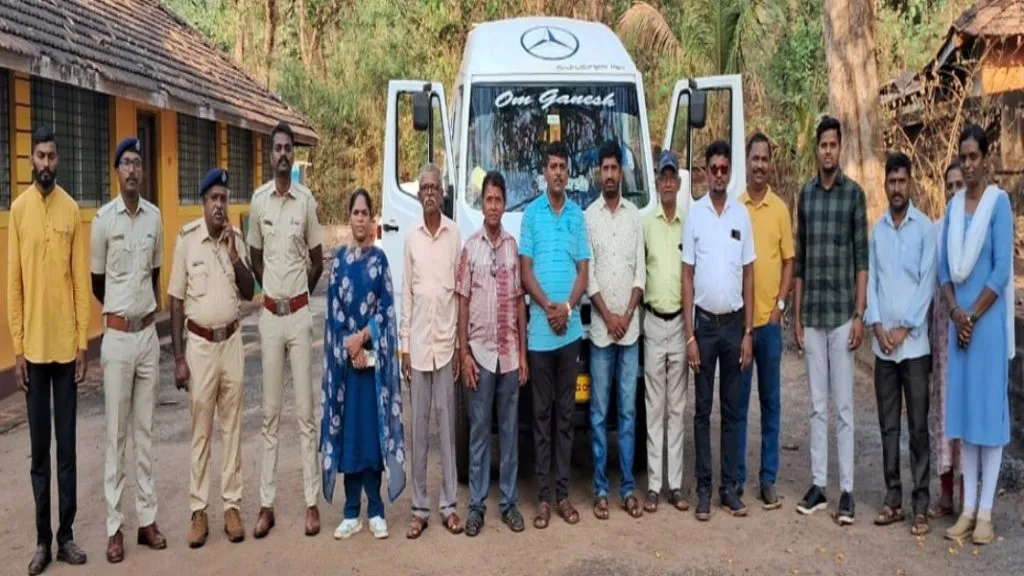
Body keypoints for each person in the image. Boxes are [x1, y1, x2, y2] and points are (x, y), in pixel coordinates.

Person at [8, 127, 90, 575]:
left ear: (58, 160)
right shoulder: (19, 211)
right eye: (40, 156)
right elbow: (13, 285)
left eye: (51, 156)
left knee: (67, 449)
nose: (45, 163)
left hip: (65, 350)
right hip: (35, 354)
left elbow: (80, 282)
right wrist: (18, 348)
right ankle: (42, 541)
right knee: (40, 452)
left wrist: (82, 342)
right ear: (31, 160)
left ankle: (67, 537)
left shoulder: (71, 210)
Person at [168, 168, 256, 549]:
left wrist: (235, 257)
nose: (219, 205)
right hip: (200, 347)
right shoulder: (187, 241)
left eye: (224, 198)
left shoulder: (235, 238)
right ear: (203, 203)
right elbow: (175, 302)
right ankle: (198, 511)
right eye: (213, 199)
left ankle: (232, 506)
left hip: (231, 343)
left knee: (233, 428)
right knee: (201, 431)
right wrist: (178, 358)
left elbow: (250, 290)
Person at [91, 137, 167, 563]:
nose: (133, 170)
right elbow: (97, 283)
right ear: (117, 171)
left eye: (138, 162)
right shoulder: (104, 221)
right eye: (126, 163)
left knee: (145, 433)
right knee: (116, 436)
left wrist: (140, 314)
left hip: (147, 337)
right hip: (118, 339)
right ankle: (114, 527)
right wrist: (122, 313)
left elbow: (154, 274)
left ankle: (147, 521)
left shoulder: (155, 218)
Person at [248, 121, 326, 539]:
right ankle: (266, 505)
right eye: (277, 148)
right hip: (269, 318)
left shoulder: (305, 202)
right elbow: (254, 257)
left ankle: (312, 503)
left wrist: (299, 295)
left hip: (298, 317)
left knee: (306, 414)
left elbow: (318, 260)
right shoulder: (259, 201)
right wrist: (273, 291)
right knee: (270, 414)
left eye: (287, 149)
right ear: (270, 153)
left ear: (293, 156)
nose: (282, 154)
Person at [939, 125, 1014, 546]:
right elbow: (944, 271)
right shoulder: (952, 209)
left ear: (986, 159)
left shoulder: (998, 205)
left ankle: (985, 511)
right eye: (963, 157)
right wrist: (955, 313)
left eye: (974, 157)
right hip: (960, 329)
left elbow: (1001, 271)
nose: (967, 165)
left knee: (989, 417)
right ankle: (967, 510)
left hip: (985, 330)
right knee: (966, 417)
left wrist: (971, 316)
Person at [793, 115, 868, 525]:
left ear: (840, 148)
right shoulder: (805, 196)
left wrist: (859, 315)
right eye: (822, 145)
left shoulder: (854, 195)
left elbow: (862, 260)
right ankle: (819, 486)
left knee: (843, 407)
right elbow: (801, 262)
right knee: (817, 407)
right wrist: (797, 316)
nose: (827, 151)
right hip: (813, 314)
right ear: (817, 149)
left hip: (841, 316)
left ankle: (848, 492)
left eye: (833, 145)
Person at [321, 189, 406, 541]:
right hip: (347, 369)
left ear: (372, 219)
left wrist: (363, 339)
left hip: (373, 369)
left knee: (372, 436)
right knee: (349, 435)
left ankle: (376, 510)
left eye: (365, 212)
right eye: (355, 212)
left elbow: (386, 312)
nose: (360, 218)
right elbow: (333, 313)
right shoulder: (339, 262)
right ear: (349, 217)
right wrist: (350, 347)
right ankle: (351, 511)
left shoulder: (380, 261)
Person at [682, 140, 756, 521]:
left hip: (733, 328)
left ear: (730, 172)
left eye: (725, 169)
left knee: (731, 411)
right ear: (704, 172)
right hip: (705, 329)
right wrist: (690, 336)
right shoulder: (694, 215)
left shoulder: (741, 216)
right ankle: (704, 490)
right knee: (702, 411)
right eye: (713, 168)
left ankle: (729, 488)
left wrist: (748, 332)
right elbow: (687, 276)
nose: (719, 174)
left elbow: (749, 275)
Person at [520, 140, 591, 529]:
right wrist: (548, 305)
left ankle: (563, 495)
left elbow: (583, 272)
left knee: (566, 417)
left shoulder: (578, 216)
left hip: (569, 334)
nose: (558, 172)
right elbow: (525, 270)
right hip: (539, 336)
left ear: (569, 172)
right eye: (552, 166)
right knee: (541, 416)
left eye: (563, 166)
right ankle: (543, 499)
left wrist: (566, 308)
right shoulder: (532, 215)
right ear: (544, 173)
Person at [866, 152, 936, 536]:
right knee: (888, 427)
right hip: (883, 349)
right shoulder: (877, 232)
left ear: (910, 183)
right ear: (885, 184)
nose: (896, 188)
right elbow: (872, 283)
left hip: (915, 348)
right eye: (891, 181)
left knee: (918, 428)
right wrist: (877, 326)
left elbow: (926, 285)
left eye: (901, 181)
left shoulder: (924, 229)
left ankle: (920, 505)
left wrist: (903, 329)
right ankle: (893, 500)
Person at [456, 171, 529, 537]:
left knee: (510, 432)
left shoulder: (513, 247)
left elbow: (519, 303)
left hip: (510, 355)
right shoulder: (470, 248)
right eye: (489, 200)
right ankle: (476, 506)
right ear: (482, 204)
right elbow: (462, 303)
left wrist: (524, 356)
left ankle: (510, 504)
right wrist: (464, 354)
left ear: (505, 204)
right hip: (481, 354)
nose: (494, 206)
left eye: (499, 200)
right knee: (480, 432)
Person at [400, 163, 464, 538]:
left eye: (434, 188)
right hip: (420, 347)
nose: (428, 193)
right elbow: (407, 295)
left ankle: (449, 506)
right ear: (419, 194)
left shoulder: (454, 235)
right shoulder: (411, 238)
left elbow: (458, 295)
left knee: (448, 433)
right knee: (419, 433)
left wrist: (457, 346)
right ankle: (419, 508)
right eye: (423, 188)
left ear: (442, 193)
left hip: (445, 346)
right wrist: (404, 348)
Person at [585, 140, 646, 520]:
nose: (609, 175)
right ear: (599, 173)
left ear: (622, 172)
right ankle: (600, 489)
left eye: (614, 168)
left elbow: (640, 272)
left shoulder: (634, 216)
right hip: (601, 332)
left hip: (631, 331)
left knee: (627, 413)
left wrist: (626, 314)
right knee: (597, 413)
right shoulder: (588, 217)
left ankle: (626, 487)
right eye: (604, 168)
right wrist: (609, 317)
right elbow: (588, 276)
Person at [737, 133, 793, 510]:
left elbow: (789, 261)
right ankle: (737, 478)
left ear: (770, 164)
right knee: (738, 405)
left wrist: (780, 307)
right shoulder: (735, 208)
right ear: (747, 162)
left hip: (770, 326)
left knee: (771, 404)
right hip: (740, 327)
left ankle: (768, 478)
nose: (759, 165)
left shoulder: (780, 210)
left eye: (764, 159)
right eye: (754, 158)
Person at [642, 150, 689, 514]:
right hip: (654, 322)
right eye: (664, 177)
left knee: (677, 408)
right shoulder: (646, 224)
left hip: (681, 324)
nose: (669, 182)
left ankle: (675, 485)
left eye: (673, 176)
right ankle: (654, 485)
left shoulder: (690, 224)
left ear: (678, 182)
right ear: (657, 182)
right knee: (654, 408)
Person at [928, 160, 964, 519]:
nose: (954, 192)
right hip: (941, 332)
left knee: (966, 411)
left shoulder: (976, 229)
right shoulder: (936, 231)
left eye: (959, 185)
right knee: (943, 410)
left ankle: (968, 494)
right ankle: (946, 493)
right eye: (948, 186)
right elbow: (930, 284)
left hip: (969, 333)